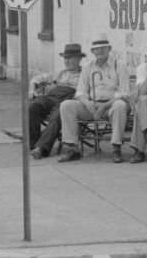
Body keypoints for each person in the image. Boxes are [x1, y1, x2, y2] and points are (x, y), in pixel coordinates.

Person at [56, 34, 131, 163]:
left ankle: (116, 148)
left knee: (120, 105)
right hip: (92, 105)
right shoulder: (87, 66)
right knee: (66, 105)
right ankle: (72, 148)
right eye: (96, 49)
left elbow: (124, 92)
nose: (100, 51)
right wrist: (88, 103)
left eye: (103, 48)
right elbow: (80, 92)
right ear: (92, 51)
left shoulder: (119, 65)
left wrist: (106, 105)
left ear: (109, 49)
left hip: (111, 105)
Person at [27, 43, 85, 159]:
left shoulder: (84, 75)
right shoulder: (60, 73)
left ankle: (41, 148)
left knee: (57, 115)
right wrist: (32, 89)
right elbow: (37, 78)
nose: (66, 61)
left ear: (79, 59)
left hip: (68, 100)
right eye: (65, 58)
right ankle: (33, 145)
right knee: (32, 107)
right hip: (51, 98)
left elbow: (84, 93)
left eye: (70, 58)